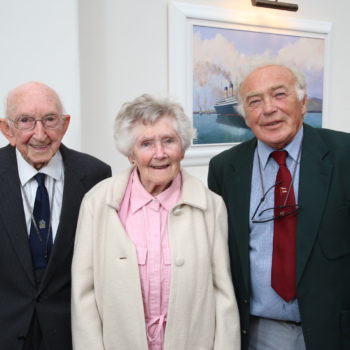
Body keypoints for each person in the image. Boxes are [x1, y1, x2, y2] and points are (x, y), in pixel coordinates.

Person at [71, 94, 240, 350]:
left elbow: (223, 293)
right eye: (146, 144)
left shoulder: (211, 206)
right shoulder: (97, 202)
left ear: (182, 147)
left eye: (169, 141)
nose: (159, 153)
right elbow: (83, 295)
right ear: (130, 153)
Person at [208, 61, 350, 350]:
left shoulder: (344, 155)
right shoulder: (224, 168)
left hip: (335, 331)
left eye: (279, 94)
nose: (269, 109)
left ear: (303, 102)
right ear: (245, 115)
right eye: (254, 101)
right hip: (257, 333)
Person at [0, 81, 111, 350]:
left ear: (65, 124)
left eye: (50, 120)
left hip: (71, 334)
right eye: (25, 121)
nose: (40, 134)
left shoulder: (96, 175)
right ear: (7, 129)